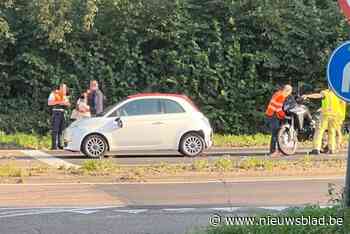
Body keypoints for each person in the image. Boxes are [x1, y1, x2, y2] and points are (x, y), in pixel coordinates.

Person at [302, 88, 342, 155]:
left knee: (319, 131)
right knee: (332, 132)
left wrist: (308, 95)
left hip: (325, 114)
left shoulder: (326, 92)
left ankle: (316, 149)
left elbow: (318, 95)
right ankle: (331, 149)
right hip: (335, 115)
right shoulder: (338, 93)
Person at [265, 85, 293, 157]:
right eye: (289, 93)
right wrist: (284, 116)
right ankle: (272, 152)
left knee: (277, 133)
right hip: (273, 116)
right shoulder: (281, 96)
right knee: (275, 134)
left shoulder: (277, 93)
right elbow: (278, 109)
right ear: (287, 91)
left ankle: (280, 151)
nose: (289, 95)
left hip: (270, 114)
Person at [48, 83, 70, 150]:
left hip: (63, 113)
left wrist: (66, 103)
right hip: (56, 112)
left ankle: (60, 145)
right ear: (60, 88)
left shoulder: (65, 95)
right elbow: (49, 103)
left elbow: (68, 104)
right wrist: (59, 102)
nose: (64, 90)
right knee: (55, 130)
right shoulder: (54, 93)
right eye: (63, 88)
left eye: (65, 88)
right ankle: (54, 146)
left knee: (62, 130)